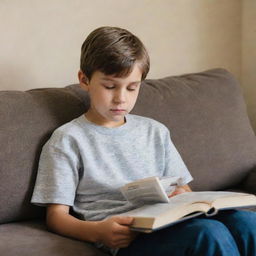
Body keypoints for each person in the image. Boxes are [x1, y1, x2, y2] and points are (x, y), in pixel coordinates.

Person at [31, 26, 256, 256]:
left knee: (248, 223)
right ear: (84, 79)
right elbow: (56, 217)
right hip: (128, 238)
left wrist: (182, 195)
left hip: (168, 222)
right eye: (109, 86)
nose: (121, 98)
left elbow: (183, 187)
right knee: (208, 234)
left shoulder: (155, 131)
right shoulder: (67, 140)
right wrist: (98, 232)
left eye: (132, 87)